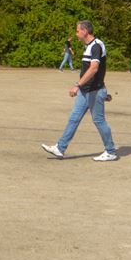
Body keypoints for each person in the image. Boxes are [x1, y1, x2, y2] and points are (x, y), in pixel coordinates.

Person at [41, 20, 117, 161]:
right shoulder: (88, 46)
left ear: (85, 31)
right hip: (85, 91)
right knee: (74, 119)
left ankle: (110, 151)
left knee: (99, 121)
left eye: (77, 31)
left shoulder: (96, 45)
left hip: (94, 91)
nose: (76, 34)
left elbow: (94, 69)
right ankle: (60, 148)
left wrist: (78, 85)